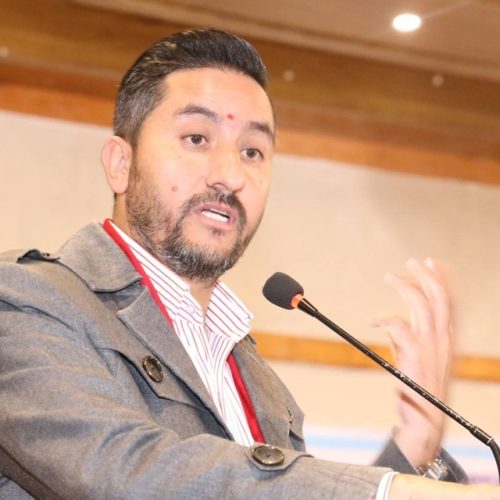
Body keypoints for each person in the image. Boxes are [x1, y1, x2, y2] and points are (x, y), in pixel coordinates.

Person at [0, 28, 498, 499]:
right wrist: (389, 492)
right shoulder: (25, 301)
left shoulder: (255, 375)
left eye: (253, 151)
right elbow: (126, 474)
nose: (231, 174)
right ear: (120, 164)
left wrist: (413, 446)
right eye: (197, 139)